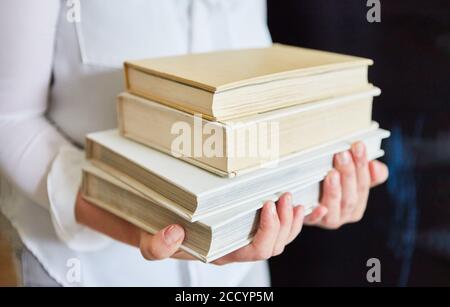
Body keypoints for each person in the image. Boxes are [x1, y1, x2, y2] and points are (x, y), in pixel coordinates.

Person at [0, 0, 388, 286]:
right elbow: (10, 120)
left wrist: (316, 188)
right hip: (89, 270)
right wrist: (132, 222)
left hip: (242, 276)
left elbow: (253, 95)